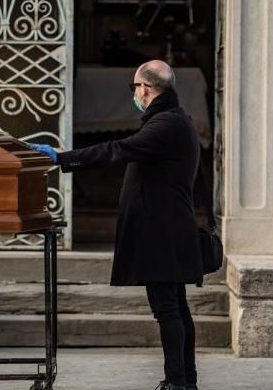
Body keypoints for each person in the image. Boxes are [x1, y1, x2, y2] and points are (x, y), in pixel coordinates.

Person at [29, 60, 202, 390]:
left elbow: (117, 150)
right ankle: (185, 382)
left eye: (134, 87)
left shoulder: (165, 125)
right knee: (176, 308)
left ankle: (178, 384)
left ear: (145, 89)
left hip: (163, 234)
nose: (134, 94)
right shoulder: (176, 119)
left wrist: (61, 157)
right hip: (170, 230)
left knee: (168, 311)